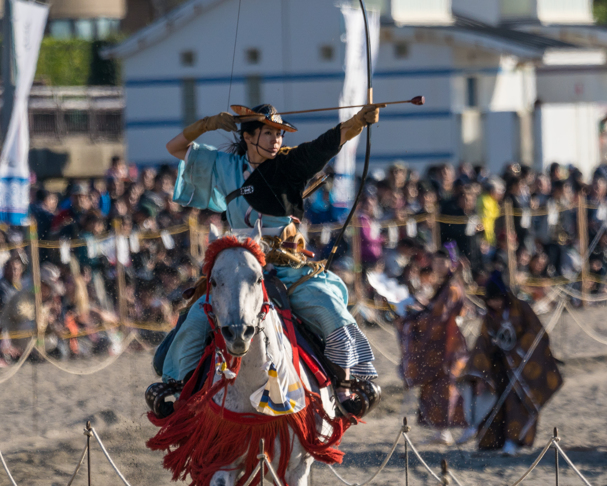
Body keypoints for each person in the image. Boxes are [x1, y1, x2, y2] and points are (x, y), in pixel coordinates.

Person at [160, 102, 383, 418]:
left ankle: (345, 385)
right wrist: (208, 124)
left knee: (329, 305)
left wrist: (358, 121)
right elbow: (175, 147)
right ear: (248, 136)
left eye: (279, 134)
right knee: (197, 316)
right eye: (268, 133)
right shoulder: (226, 166)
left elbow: (333, 139)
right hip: (238, 266)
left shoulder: (290, 164)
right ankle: (180, 387)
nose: (276, 139)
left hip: (285, 266)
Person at [458, 271, 562, 454]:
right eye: (491, 300)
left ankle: (514, 441)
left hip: (522, 366)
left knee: (516, 401)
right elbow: (483, 343)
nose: (494, 303)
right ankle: (492, 441)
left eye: (497, 299)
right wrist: (480, 375)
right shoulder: (489, 317)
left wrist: (518, 352)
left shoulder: (521, 308)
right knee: (494, 399)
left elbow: (537, 333)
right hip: (499, 367)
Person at [397, 249, 469, 444]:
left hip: (448, 345)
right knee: (436, 386)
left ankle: (458, 429)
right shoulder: (443, 285)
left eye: (442, 262)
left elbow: (441, 316)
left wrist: (418, 320)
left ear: (450, 264)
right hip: (437, 345)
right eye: (435, 262)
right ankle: (441, 431)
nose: (438, 266)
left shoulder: (452, 287)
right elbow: (435, 312)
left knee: (447, 385)